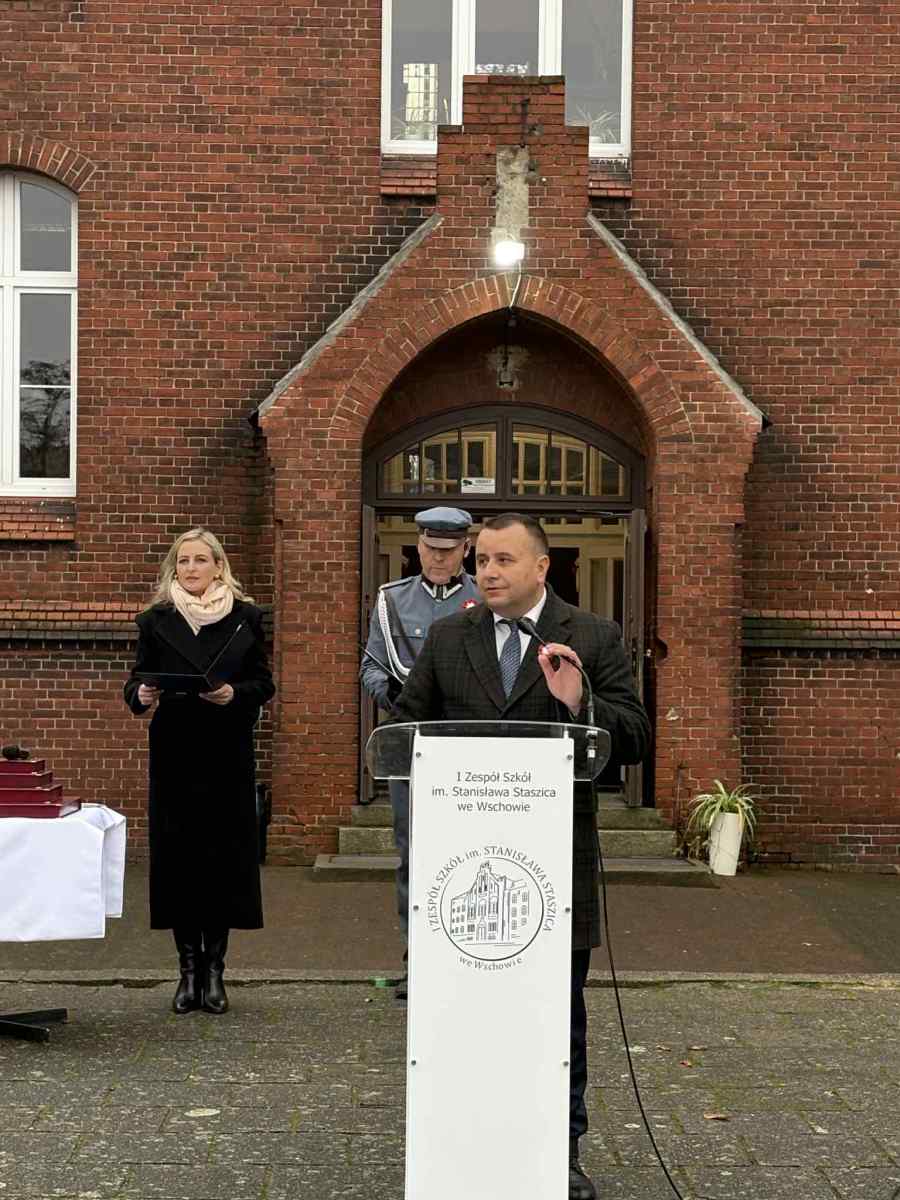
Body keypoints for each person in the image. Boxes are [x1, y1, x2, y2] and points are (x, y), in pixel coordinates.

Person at [391, 512, 651, 1200]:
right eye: (482, 560)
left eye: (504, 560)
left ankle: (559, 1152)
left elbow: (634, 737)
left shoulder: (590, 636)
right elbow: (403, 726)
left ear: (542, 567)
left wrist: (581, 699)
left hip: (554, 866)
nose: (489, 572)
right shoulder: (450, 637)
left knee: (556, 1017)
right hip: (462, 864)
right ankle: (461, 1144)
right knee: (465, 1015)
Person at [123, 528, 275, 1016]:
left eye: (200, 560)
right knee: (180, 858)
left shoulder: (245, 618)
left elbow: (263, 683)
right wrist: (140, 694)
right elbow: (135, 682)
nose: (191, 568)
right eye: (183, 560)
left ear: (218, 566)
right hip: (176, 749)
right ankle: (187, 971)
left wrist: (234, 695)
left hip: (226, 748)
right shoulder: (155, 620)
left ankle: (215, 972)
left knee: (222, 858)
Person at [360, 506, 479, 998]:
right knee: (414, 852)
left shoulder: (485, 598)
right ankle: (419, 959)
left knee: (472, 851)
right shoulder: (393, 600)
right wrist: (393, 695)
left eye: (448, 551)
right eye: (430, 549)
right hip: (411, 741)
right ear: (418, 545)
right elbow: (370, 666)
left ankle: (467, 955)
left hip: (469, 743)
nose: (438, 558)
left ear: (466, 549)